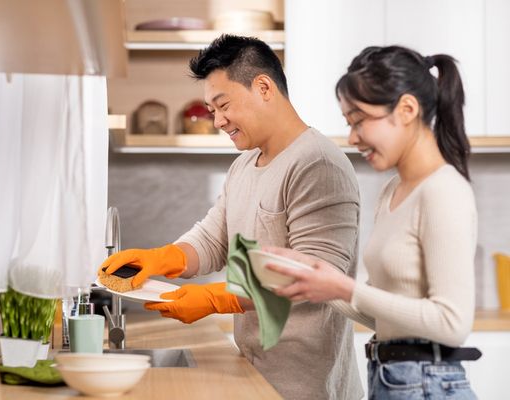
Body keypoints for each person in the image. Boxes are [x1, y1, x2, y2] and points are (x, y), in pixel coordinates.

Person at [99, 34, 363, 399]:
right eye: (211, 111)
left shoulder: (317, 163)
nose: (218, 121)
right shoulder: (243, 165)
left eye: (223, 105)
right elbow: (212, 239)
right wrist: (162, 258)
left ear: (264, 87)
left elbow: (313, 273)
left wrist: (213, 299)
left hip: (305, 385)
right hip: (256, 371)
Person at [265, 45, 480, 399]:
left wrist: (344, 288)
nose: (352, 137)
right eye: (349, 123)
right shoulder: (393, 190)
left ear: (407, 109)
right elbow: (390, 321)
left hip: (429, 386)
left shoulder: (444, 190)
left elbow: (452, 324)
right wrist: (316, 278)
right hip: (391, 378)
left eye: (360, 120)